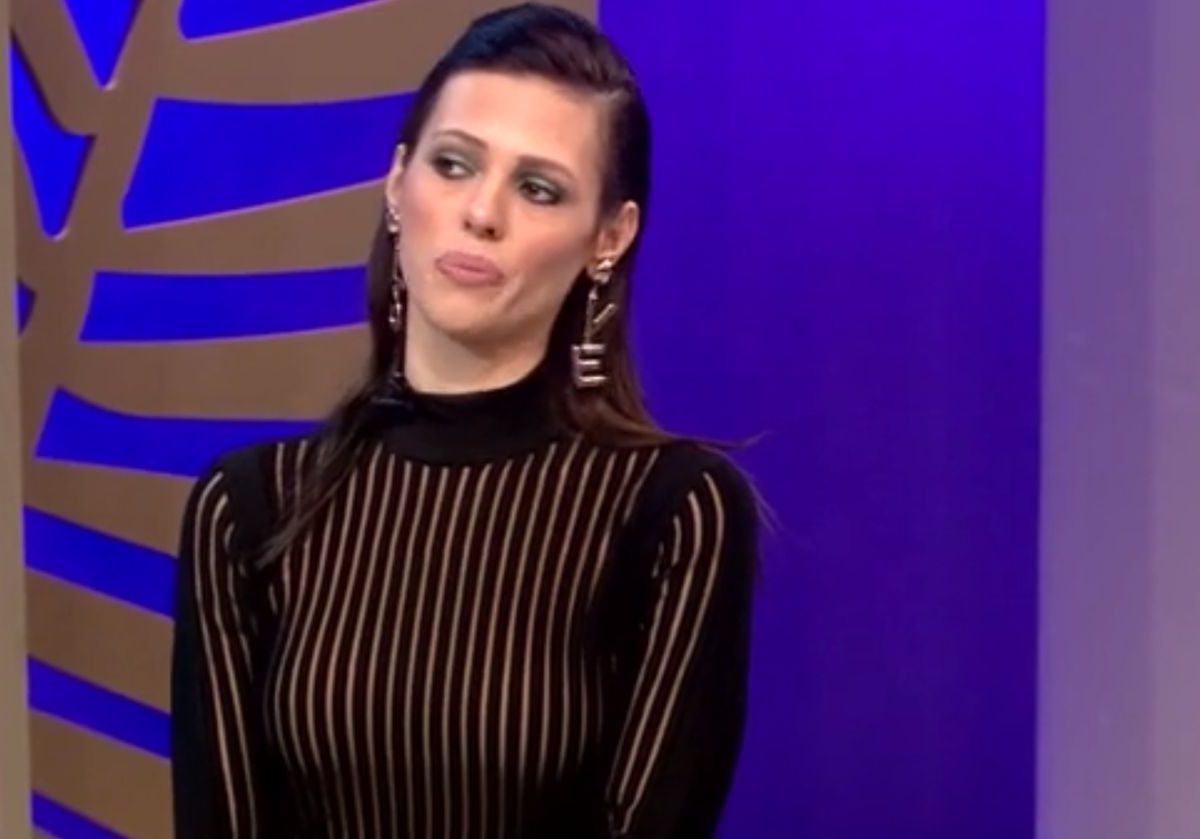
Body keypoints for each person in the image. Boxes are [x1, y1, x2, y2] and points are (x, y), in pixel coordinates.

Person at [170, 4, 759, 837]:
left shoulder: (674, 511)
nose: (482, 212)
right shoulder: (250, 508)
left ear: (609, 237)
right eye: (453, 164)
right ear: (396, 183)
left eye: (537, 187)